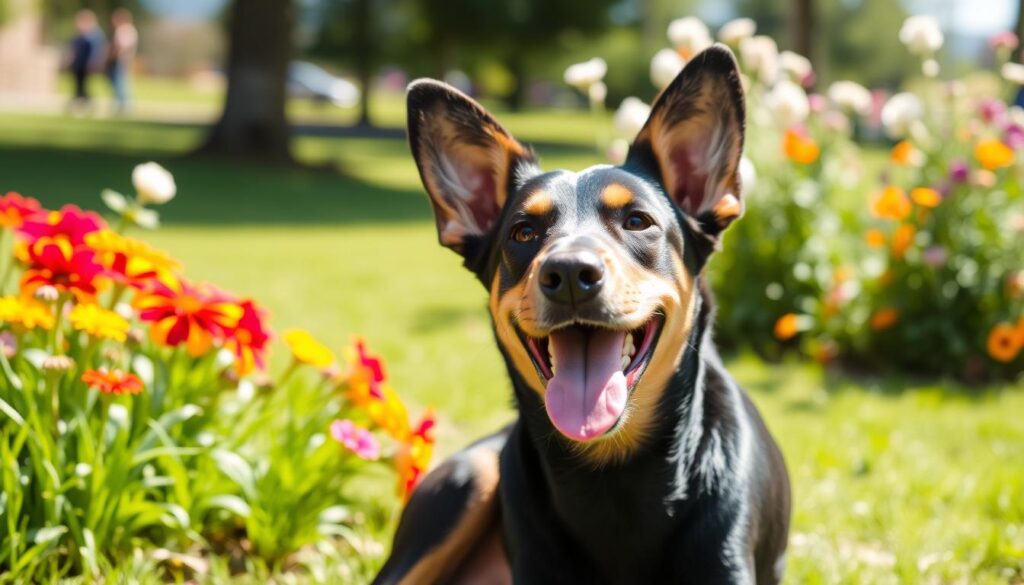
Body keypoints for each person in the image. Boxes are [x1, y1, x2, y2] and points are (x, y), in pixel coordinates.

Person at [68, 10, 106, 113]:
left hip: (86, 64)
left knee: (85, 85)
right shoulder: (79, 34)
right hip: (79, 64)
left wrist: (93, 62)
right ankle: (78, 102)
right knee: (78, 84)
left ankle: (86, 103)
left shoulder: (94, 35)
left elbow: (96, 50)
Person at [107, 8, 138, 114]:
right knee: (119, 82)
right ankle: (121, 104)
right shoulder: (126, 29)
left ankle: (123, 106)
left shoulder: (125, 30)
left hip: (120, 60)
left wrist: (113, 56)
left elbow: (121, 46)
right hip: (122, 60)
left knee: (120, 83)